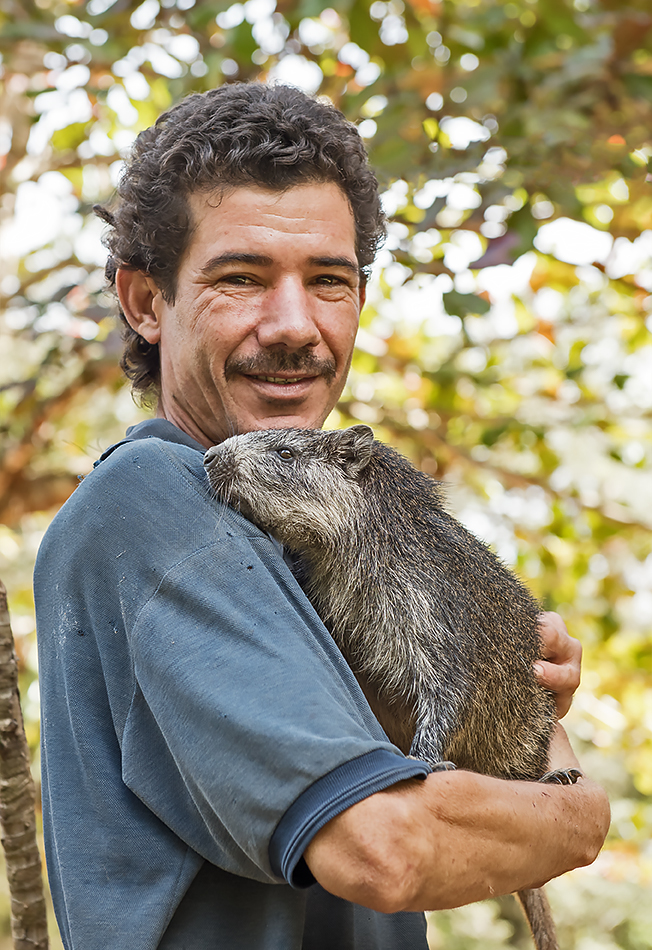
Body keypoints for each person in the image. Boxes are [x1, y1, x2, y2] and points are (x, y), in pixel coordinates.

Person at [34, 82, 609, 950]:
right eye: (242, 278)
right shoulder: (155, 497)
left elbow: (416, 761)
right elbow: (388, 849)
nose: (296, 324)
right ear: (146, 302)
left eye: (329, 280)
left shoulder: (295, 535)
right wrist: (577, 807)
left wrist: (506, 683)